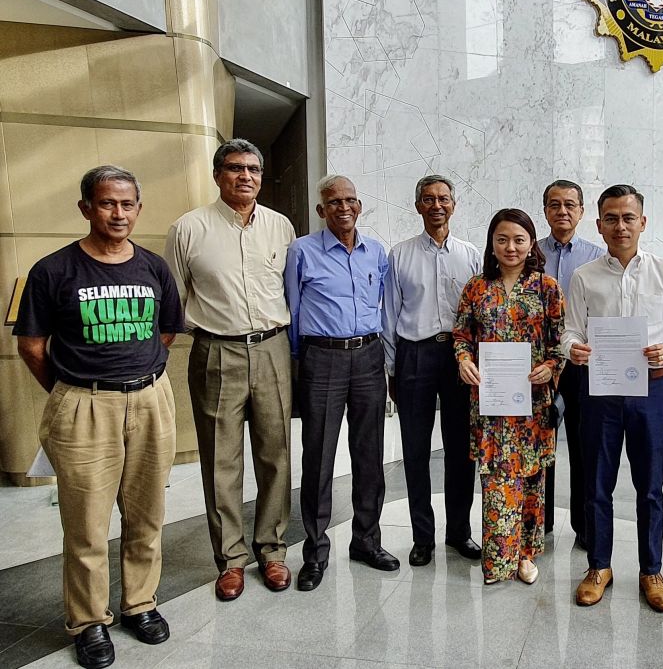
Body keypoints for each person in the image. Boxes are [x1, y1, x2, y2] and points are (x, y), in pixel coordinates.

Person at [14, 166, 185, 669]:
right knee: (87, 525)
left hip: (151, 400)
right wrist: (73, 391)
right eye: (107, 203)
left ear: (139, 208)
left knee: (146, 514)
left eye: (127, 204)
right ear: (86, 207)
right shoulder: (54, 270)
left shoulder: (153, 268)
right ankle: (88, 621)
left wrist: (135, 377)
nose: (118, 213)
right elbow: (32, 346)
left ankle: (140, 604)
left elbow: (167, 333)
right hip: (84, 405)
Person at [164, 139, 296, 602]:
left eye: (254, 169)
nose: (246, 176)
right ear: (218, 174)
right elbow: (172, 301)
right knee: (221, 459)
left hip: (273, 349)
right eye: (236, 168)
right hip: (216, 352)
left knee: (276, 453)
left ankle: (273, 550)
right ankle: (231, 560)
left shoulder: (281, 227)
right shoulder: (188, 228)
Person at [562, 184, 663, 612]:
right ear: (598, 225)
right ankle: (599, 566)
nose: (620, 226)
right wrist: (572, 349)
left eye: (628, 217)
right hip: (599, 392)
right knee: (597, 483)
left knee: (649, 486)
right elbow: (571, 330)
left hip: (651, 391)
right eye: (612, 218)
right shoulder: (584, 277)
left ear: (643, 222)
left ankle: (651, 570)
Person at [285, 175, 398, 587]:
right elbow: (294, 312)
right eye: (334, 202)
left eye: (350, 200)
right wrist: (303, 362)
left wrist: (387, 361)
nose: (343, 207)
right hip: (323, 358)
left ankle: (366, 540)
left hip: (368, 356)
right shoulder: (302, 251)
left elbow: (384, 308)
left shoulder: (377, 253)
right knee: (318, 457)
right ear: (321, 210)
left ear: (360, 206)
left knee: (370, 455)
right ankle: (314, 552)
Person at [453, 209, 564, 585]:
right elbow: (462, 336)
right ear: (492, 243)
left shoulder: (547, 288)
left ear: (532, 243)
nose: (511, 247)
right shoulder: (476, 287)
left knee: (531, 478)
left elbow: (560, 341)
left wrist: (551, 366)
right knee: (497, 478)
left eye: (519, 239)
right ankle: (498, 558)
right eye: (502, 239)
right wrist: (464, 360)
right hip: (491, 404)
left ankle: (525, 554)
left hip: (533, 404)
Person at [382, 175, 481, 567]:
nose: (436, 204)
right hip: (415, 357)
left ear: (453, 205)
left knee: (462, 450)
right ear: (418, 205)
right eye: (428, 199)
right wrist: (392, 368)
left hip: (460, 360)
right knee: (416, 450)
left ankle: (459, 532)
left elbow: (478, 315)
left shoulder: (472, 254)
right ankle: (423, 537)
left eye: (443, 198)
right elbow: (389, 314)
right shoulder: (400, 255)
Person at [538, 179, 604, 544]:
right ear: (545, 210)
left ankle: (584, 525)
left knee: (584, 446)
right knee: (541, 444)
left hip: (580, 363)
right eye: (554, 204)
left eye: (569, 205)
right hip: (538, 365)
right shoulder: (528, 252)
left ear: (581, 211)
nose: (562, 211)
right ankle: (541, 521)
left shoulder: (598, 255)